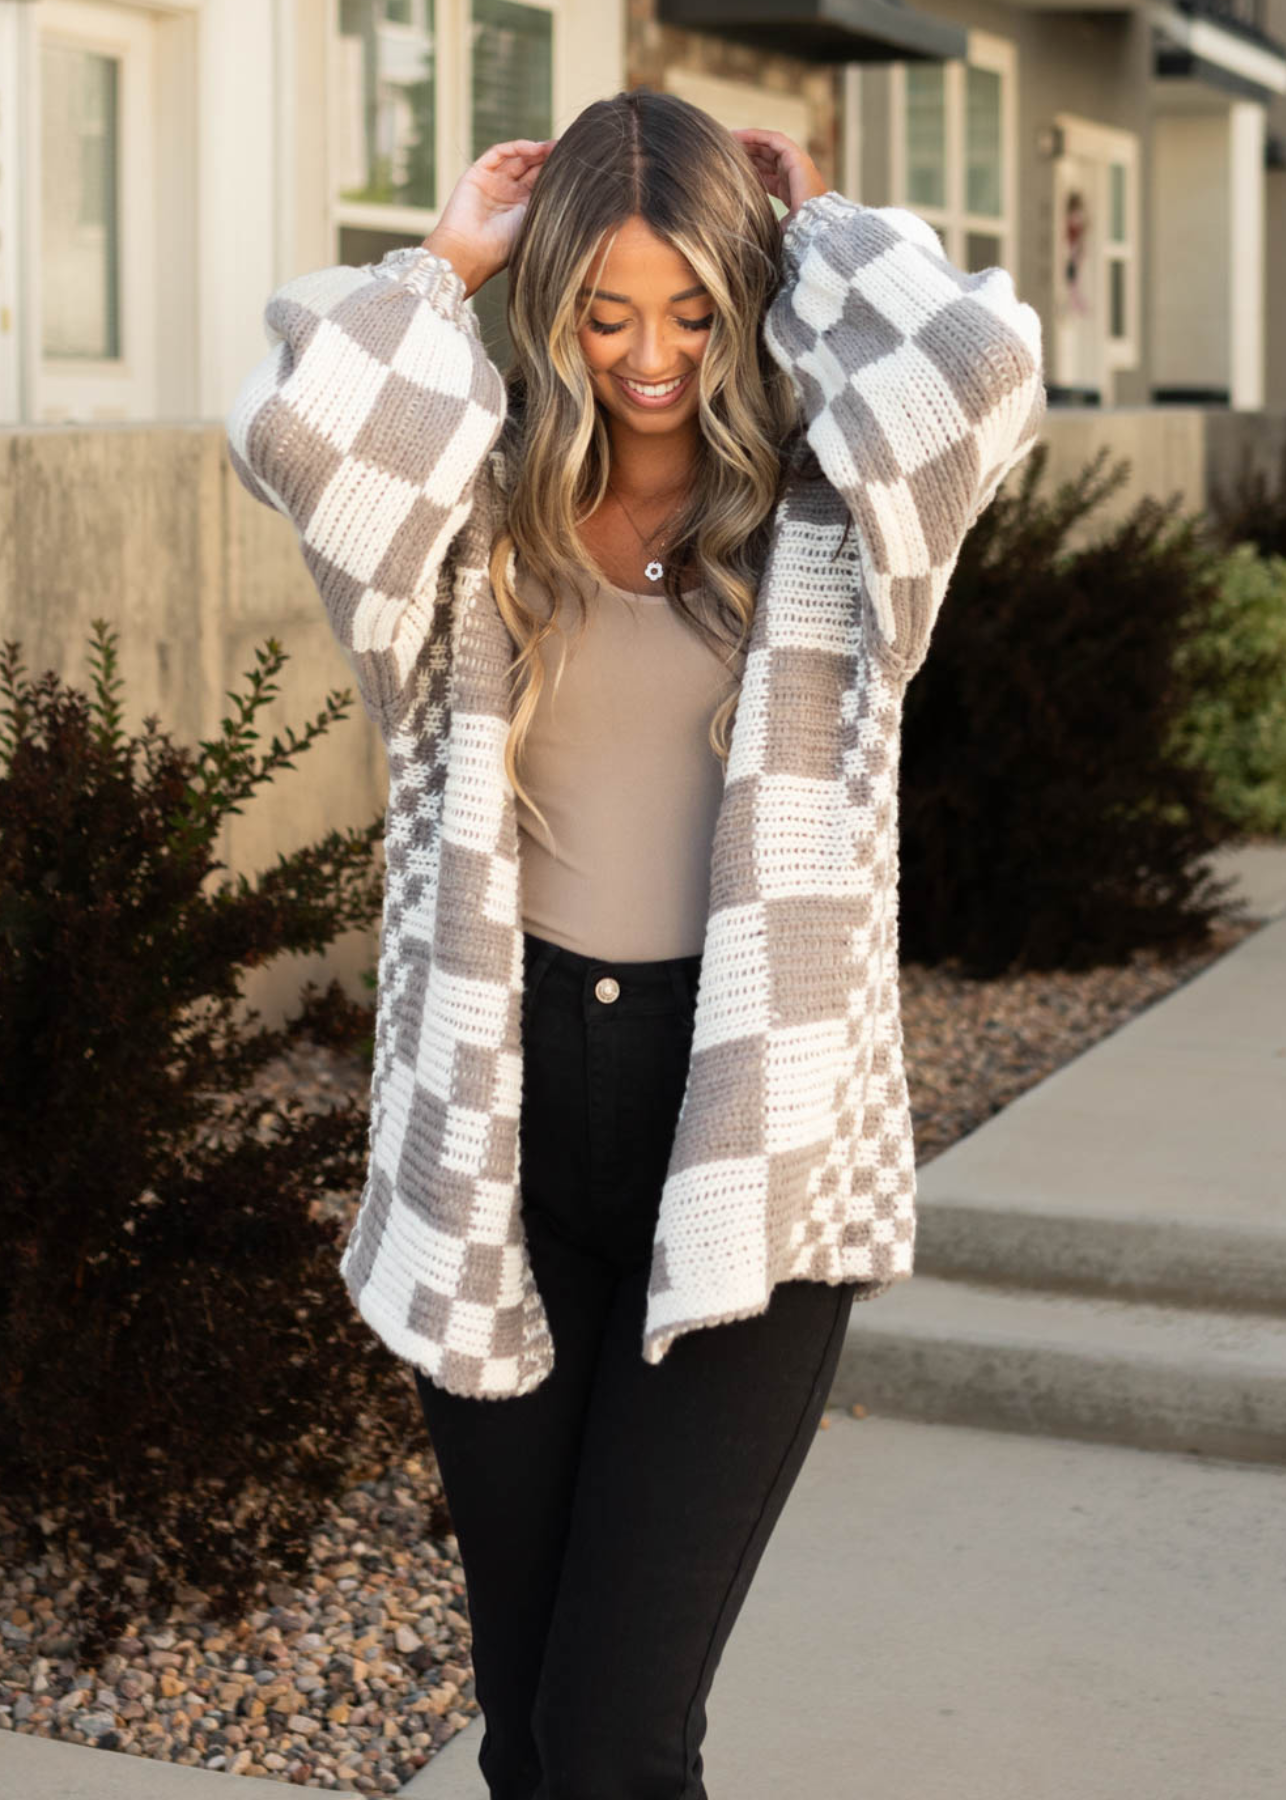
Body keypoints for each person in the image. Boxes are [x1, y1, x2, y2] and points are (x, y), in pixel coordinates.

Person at [225, 87, 1045, 1800]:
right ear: (550, 308)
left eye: (692, 307)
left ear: (746, 302)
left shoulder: (839, 524)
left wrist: (811, 224)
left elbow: (976, 366)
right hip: (502, 1146)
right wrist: (442, 265)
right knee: (529, 1736)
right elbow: (301, 431)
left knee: (616, 1739)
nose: (650, 353)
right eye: (603, 311)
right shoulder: (460, 534)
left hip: (751, 1151)